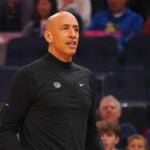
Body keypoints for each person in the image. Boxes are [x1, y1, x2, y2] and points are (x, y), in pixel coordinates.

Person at [0, 11, 104, 150]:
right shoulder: (29, 75)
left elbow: (91, 133)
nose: (73, 34)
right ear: (49, 36)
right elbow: (6, 128)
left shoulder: (87, 76)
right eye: (65, 28)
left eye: (76, 29)